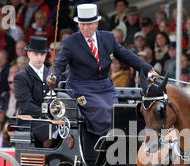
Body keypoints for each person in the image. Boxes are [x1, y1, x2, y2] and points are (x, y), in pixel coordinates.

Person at [49, 3, 156, 135]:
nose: (85, 28)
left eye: (89, 24)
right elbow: (59, 64)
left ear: (96, 24)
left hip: (104, 87)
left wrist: (148, 69)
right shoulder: (70, 42)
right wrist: (53, 76)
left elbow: (126, 56)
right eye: (82, 24)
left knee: (116, 112)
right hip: (80, 89)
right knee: (101, 110)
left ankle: (122, 142)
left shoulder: (108, 37)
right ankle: (108, 143)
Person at [14, 36, 53, 147]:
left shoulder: (51, 74)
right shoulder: (21, 77)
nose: (39, 58)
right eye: (36, 54)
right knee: (50, 129)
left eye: (42, 54)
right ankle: (48, 158)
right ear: (29, 54)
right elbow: (26, 105)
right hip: (31, 120)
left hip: (51, 117)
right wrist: (46, 114)